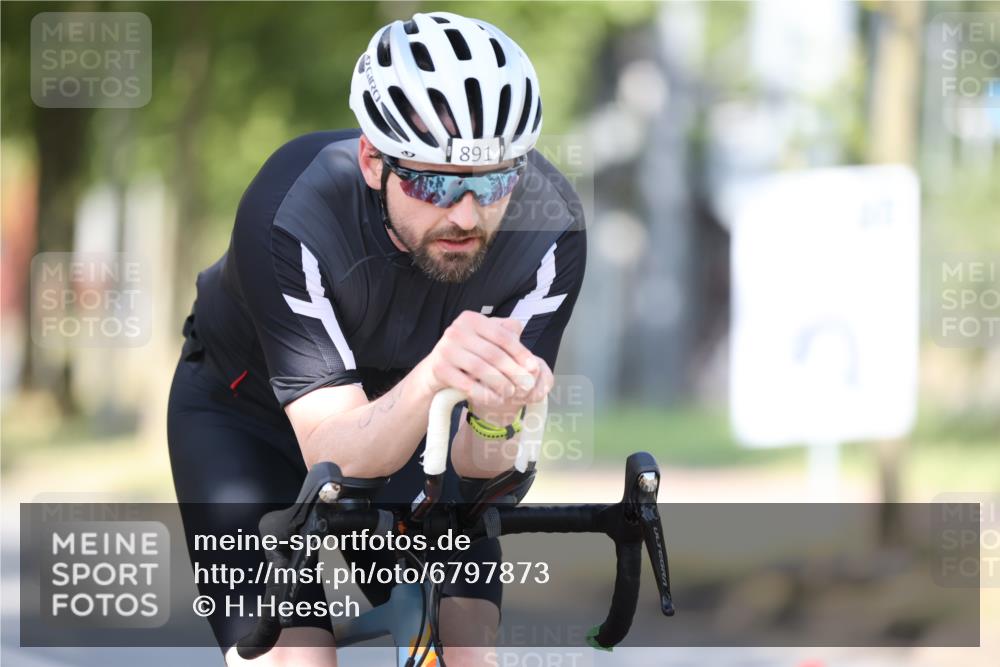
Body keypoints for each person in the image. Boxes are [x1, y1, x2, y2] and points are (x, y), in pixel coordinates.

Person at [167, 10, 586, 667]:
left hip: (415, 428)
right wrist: (438, 373)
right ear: (372, 159)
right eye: (433, 180)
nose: (465, 213)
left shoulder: (549, 232)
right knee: (299, 657)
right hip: (248, 424)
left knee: (466, 648)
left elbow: (481, 475)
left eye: (492, 180)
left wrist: (501, 417)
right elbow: (335, 454)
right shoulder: (293, 211)